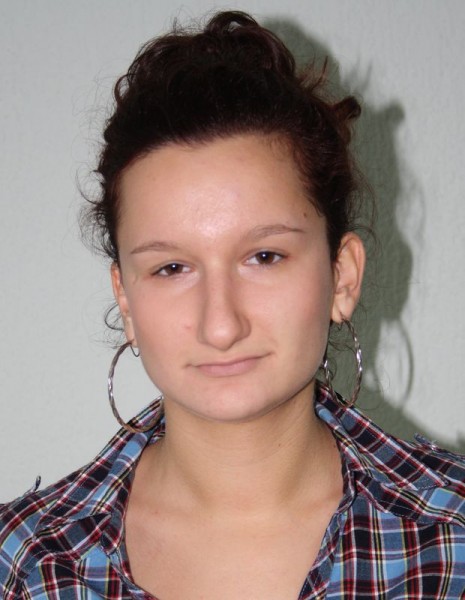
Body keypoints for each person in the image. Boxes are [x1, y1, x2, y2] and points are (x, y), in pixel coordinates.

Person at [1, 9, 464, 599]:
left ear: (342, 276)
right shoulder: (25, 564)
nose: (220, 325)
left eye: (264, 257)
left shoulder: (451, 539)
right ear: (126, 298)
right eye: (171, 268)